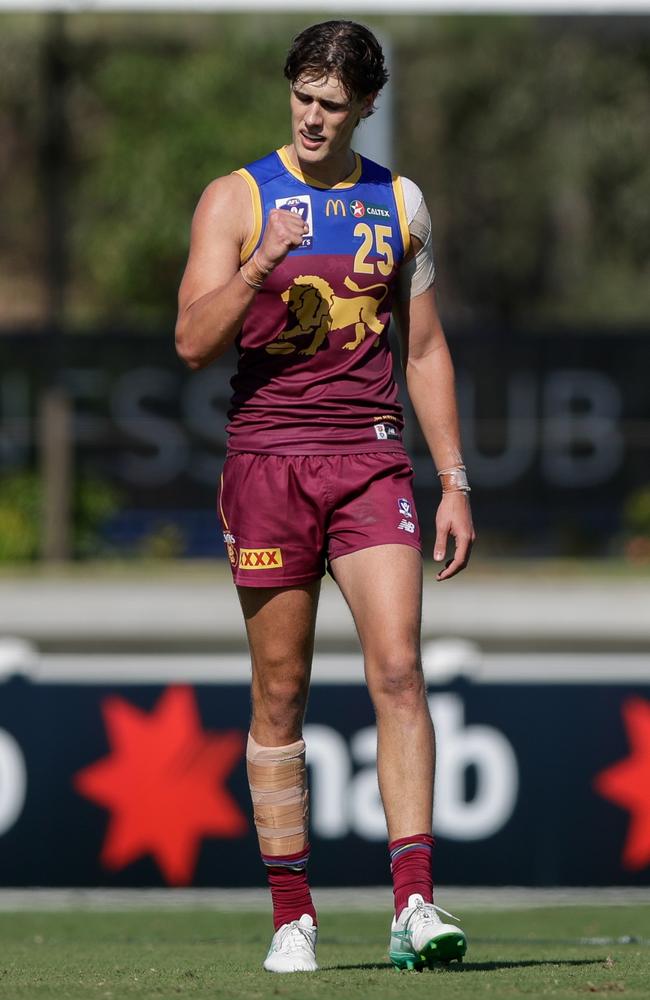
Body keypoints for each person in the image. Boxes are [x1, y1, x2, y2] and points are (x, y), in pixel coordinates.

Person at [175, 19, 475, 974]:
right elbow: (190, 339)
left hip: (371, 460)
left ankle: (415, 904)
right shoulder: (236, 197)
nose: (311, 116)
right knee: (282, 690)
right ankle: (293, 915)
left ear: (366, 108)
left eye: (331, 103)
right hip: (267, 464)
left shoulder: (402, 203)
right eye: (301, 96)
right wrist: (263, 263)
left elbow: (422, 349)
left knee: (399, 669)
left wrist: (454, 481)